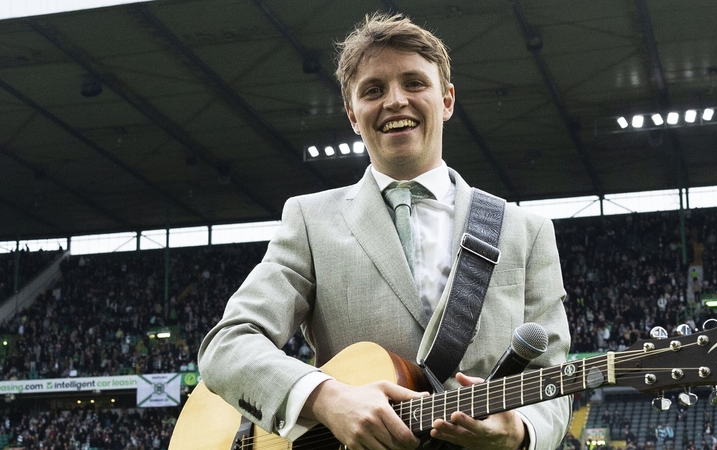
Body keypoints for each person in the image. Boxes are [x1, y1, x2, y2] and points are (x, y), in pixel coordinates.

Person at [198, 12, 571, 450]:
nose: (395, 101)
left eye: (414, 83)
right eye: (373, 90)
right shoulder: (309, 220)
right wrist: (327, 398)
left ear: (447, 100)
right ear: (353, 115)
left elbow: (552, 381)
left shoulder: (525, 231)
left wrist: (521, 432)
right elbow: (228, 344)